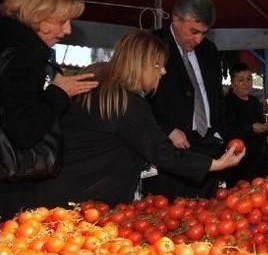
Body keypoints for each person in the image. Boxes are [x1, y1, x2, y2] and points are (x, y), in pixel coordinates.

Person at [34, 30, 244, 206]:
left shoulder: (95, 81)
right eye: (158, 65)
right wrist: (215, 164)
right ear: (140, 64)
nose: (163, 71)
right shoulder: (127, 102)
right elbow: (162, 154)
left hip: (58, 187)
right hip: (88, 198)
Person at [0, 0, 98, 218]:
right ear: (38, 15)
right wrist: (59, 92)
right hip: (7, 183)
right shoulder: (27, 53)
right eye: (62, 21)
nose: (67, 30)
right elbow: (24, 130)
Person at [142, 0, 225, 199]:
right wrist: (167, 129)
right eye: (194, 31)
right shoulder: (152, 44)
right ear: (176, 19)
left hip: (208, 145)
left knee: (207, 217)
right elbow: (139, 98)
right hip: (171, 149)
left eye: (204, 33)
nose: (198, 39)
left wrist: (218, 133)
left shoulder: (209, 50)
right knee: (170, 215)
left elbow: (215, 95)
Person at [223, 62, 268, 187]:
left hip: (259, 162)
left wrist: (266, 127)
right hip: (239, 165)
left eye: (249, 79)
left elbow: (260, 125)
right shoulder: (227, 103)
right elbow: (226, 131)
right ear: (233, 83)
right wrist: (250, 129)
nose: (246, 83)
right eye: (241, 80)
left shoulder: (255, 101)